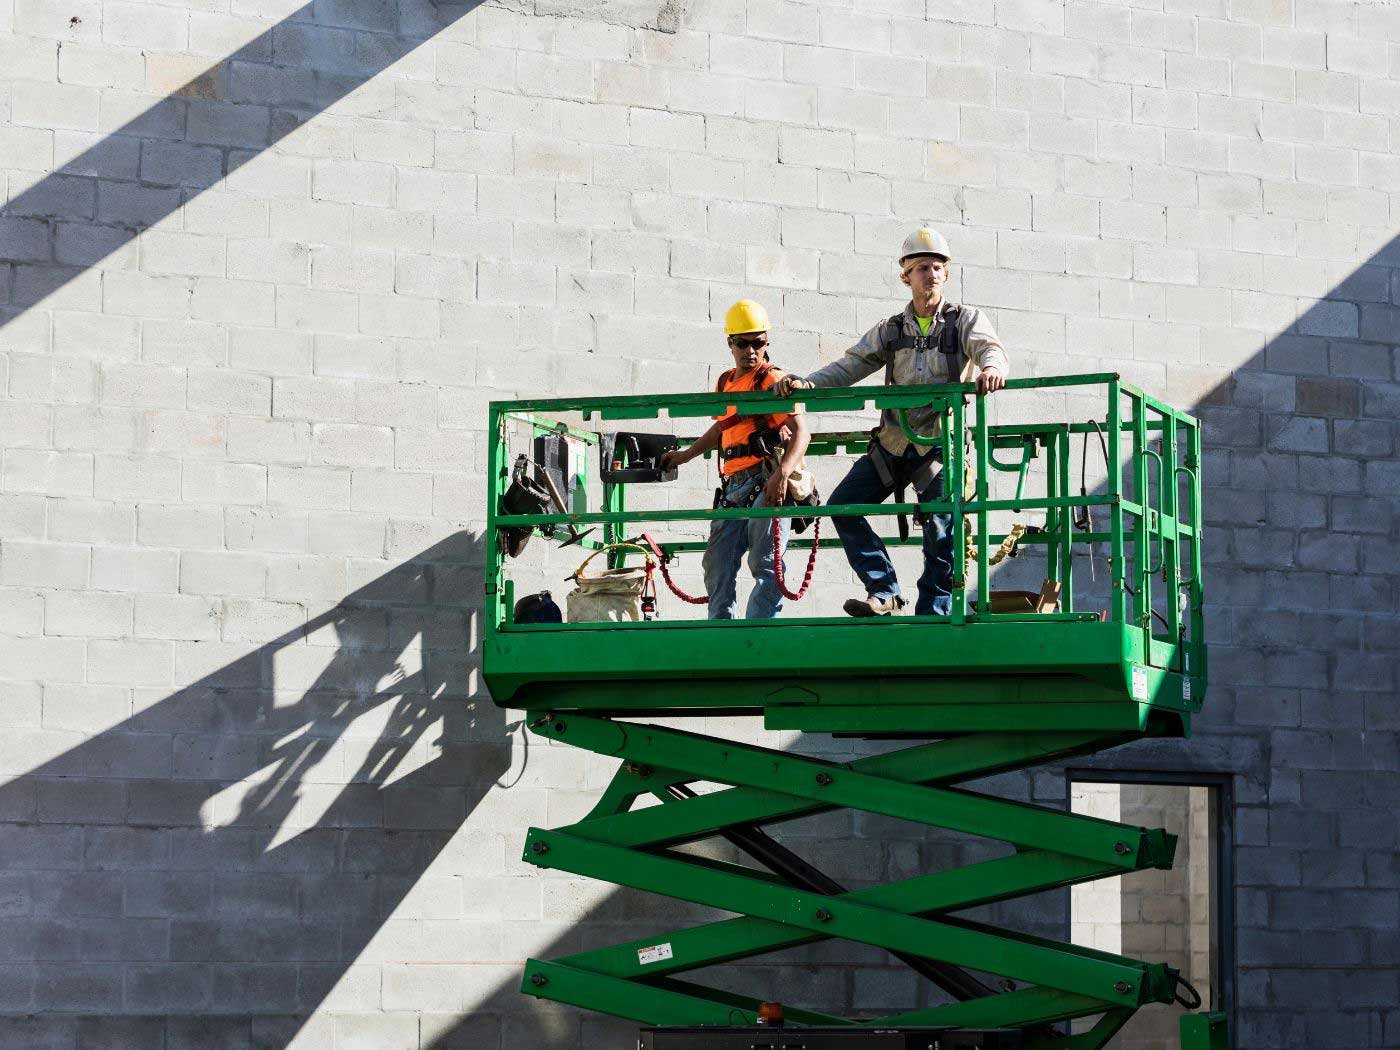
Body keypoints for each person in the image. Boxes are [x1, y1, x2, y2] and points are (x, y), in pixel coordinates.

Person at [775, 227, 1009, 617]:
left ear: (946, 274)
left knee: (941, 524)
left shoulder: (964, 321)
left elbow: (990, 349)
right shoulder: (892, 330)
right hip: (893, 443)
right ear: (906, 276)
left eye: (936, 267)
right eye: (921, 267)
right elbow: (851, 364)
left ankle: (935, 607)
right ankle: (884, 591)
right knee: (843, 506)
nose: (930, 273)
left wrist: (992, 369)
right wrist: (808, 383)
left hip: (940, 445)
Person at [661, 300, 811, 620]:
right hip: (733, 486)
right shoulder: (725, 382)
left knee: (765, 563)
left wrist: (782, 474)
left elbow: (802, 433)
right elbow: (723, 427)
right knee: (717, 563)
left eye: (758, 343)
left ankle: (758, 636)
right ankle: (721, 632)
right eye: (743, 343)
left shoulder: (772, 380)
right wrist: (687, 455)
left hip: (766, 478)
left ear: (767, 342)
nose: (751, 351)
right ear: (730, 343)